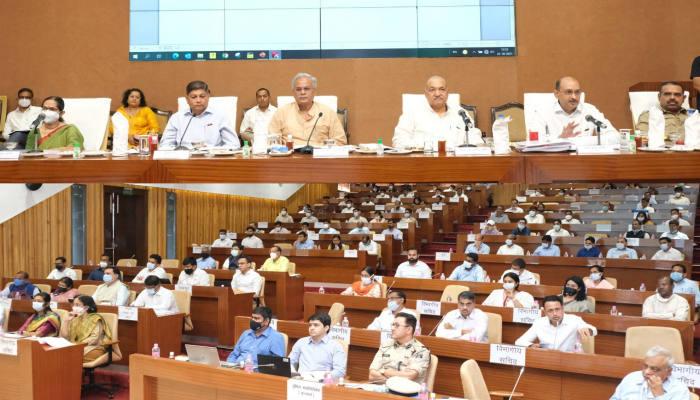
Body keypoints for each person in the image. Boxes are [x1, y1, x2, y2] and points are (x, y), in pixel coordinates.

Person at [392, 76, 483, 150]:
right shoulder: (412, 114)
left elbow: (476, 139)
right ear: (425, 93)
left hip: (456, 164)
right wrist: (426, 146)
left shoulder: (460, 113)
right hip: (422, 163)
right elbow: (398, 142)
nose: (437, 93)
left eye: (442, 89)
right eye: (432, 90)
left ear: (447, 92)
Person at [527, 76, 617, 143]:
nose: (574, 97)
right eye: (568, 92)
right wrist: (561, 139)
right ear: (556, 94)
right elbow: (534, 142)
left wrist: (582, 141)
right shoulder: (543, 112)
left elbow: (615, 136)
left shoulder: (590, 110)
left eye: (577, 92)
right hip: (553, 161)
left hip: (584, 161)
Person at [268, 73, 347, 147]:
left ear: (314, 92)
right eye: (298, 89)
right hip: (290, 157)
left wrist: (325, 149)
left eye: (306, 89)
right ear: (293, 93)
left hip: (320, 158)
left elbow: (340, 141)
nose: (302, 92)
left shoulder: (327, 112)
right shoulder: (281, 112)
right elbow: (272, 141)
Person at [159, 80, 239, 149]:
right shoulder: (177, 118)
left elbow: (233, 144)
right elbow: (165, 145)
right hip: (183, 161)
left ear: (208, 96)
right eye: (193, 97)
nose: (198, 100)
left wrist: (215, 152)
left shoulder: (220, 117)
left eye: (202, 96)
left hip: (212, 160)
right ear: (187, 99)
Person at [514, 295, 597, 351]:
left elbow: (594, 330)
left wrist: (588, 330)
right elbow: (519, 341)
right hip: (548, 360)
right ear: (545, 312)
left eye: (557, 309)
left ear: (562, 308)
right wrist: (531, 345)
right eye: (550, 310)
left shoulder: (574, 320)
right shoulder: (539, 323)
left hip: (569, 360)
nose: (555, 313)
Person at [368, 312, 431, 384]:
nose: (392, 328)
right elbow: (372, 375)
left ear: (409, 330)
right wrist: (393, 377)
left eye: (397, 325)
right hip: (381, 390)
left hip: (406, 393)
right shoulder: (385, 345)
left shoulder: (421, 351)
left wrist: (384, 371)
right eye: (392, 325)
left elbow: (409, 376)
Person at [610, 346, 689, 400]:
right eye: (645, 366)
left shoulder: (679, 390)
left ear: (668, 372)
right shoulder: (631, 378)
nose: (647, 372)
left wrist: (659, 395)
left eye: (654, 369)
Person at [288, 312, 347, 379]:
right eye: (310, 325)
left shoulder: (335, 346)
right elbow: (290, 361)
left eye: (316, 325)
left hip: (322, 382)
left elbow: (340, 371)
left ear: (326, 328)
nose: (312, 328)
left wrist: (322, 376)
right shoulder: (301, 342)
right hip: (300, 381)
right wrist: (294, 374)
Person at [60, 296, 112, 362]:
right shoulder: (75, 319)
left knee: (67, 356)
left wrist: (77, 346)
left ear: (86, 307)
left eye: (77, 305)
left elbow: (94, 339)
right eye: (74, 304)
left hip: (93, 348)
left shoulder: (95, 319)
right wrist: (66, 321)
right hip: (75, 347)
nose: (74, 307)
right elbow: (65, 336)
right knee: (60, 354)